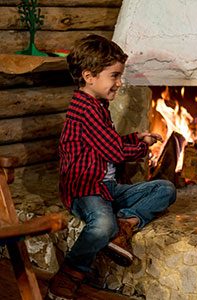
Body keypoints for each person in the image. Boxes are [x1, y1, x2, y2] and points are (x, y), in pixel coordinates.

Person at [47, 34, 176, 300]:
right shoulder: (85, 110)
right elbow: (114, 151)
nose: (119, 83)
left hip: (106, 188)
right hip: (86, 190)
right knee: (101, 225)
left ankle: (125, 224)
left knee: (165, 189)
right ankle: (70, 272)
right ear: (89, 76)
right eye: (114, 76)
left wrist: (135, 138)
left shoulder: (97, 104)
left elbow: (107, 142)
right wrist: (143, 149)